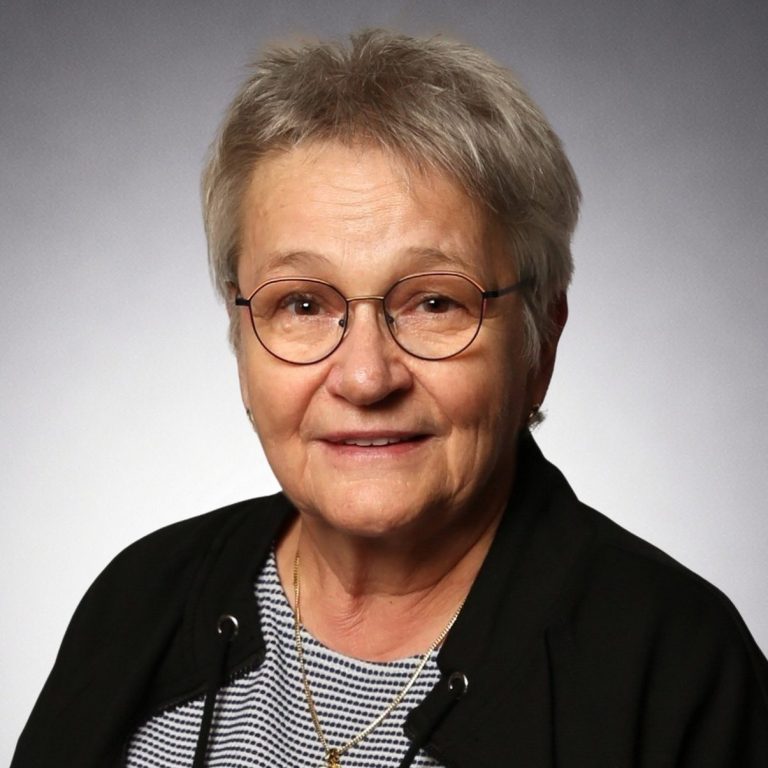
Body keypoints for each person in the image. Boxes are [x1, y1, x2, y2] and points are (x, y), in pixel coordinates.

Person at [12, 28, 768, 768]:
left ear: (541, 336)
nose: (367, 378)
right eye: (303, 304)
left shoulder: (679, 672)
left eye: (435, 302)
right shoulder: (140, 601)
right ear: (241, 336)